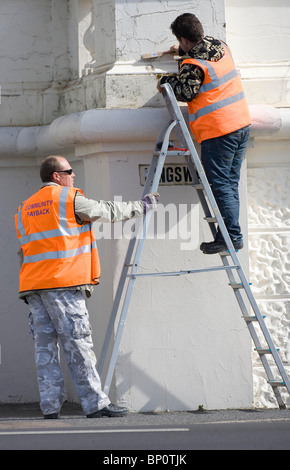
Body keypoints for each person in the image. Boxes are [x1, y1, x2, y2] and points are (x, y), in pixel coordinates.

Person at [14, 155, 159, 419]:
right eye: (70, 171)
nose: (74, 176)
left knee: (45, 349)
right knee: (78, 344)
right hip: (64, 283)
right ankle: (95, 404)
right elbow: (107, 211)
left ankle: (50, 407)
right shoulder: (68, 198)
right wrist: (142, 205)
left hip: (34, 287)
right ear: (56, 176)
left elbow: (24, 251)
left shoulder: (25, 207)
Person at [157, 13, 251, 254]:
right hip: (241, 124)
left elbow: (187, 91)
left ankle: (231, 237)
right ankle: (230, 235)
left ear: (184, 39)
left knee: (220, 184)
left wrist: (165, 80)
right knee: (229, 183)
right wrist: (182, 50)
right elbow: (201, 56)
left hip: (219, 131)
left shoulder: (193, 65)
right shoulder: (221, 46)